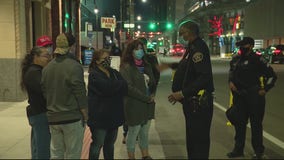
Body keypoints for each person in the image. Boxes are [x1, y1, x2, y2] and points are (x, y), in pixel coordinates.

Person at [167, 21, 214, 159]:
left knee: (199, 141)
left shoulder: (199, 48)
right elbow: (189, 72)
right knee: (192, 139)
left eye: (183, 32)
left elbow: (203, 77)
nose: (181, 35)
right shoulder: (191, 48)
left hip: (199, 103)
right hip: (190, 103)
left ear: (191, 32)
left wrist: (182, 93)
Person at [227, 37, 277, 159]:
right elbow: (231, 74)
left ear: (250, 46)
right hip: (239, 97)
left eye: (243, 46)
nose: (240, 48)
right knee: (239, 124)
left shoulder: (258, 59)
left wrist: (265, 89)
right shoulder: (236, 60)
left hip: (254, 97)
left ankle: (258, 152)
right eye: (239, 46)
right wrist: (231, 83)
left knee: (256, 125)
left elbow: (272, 76)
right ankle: (238, 150)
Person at [41, 33, 88, 159]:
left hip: (53, 118)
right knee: (72, 153)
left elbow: (44, 92)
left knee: (56, 153)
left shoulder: (47, 68)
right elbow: (80, 92)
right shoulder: (74, 66)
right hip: (71, 117)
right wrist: (85, 113)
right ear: (72, 47)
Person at [87, 49, 128, 159]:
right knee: (97, 145)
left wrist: (114, 85)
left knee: (110, 145)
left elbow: (125, 86)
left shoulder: (114, 73)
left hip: (113, 117)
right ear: (96, 61)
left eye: (108, 58)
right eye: (104, 59)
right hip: (99, 118)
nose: (107, 61)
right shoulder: (94, 75)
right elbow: (106, 89)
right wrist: (116, 86)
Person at [120, 39, 157, 160]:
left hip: (148, 104)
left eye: (141, 48)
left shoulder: (146, 65)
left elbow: (153, 81)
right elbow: (128, 88)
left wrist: (151, 91)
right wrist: (146, 98)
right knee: (133, 132)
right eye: (137, 49)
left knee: (144, 133)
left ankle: (145, 155)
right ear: (131, 51)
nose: (140, 51)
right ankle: (131, 157)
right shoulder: (126, 67)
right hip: (134, 104)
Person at [20, 46, 50, 159]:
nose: (48, 58)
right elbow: (44, 91)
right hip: (40, 114)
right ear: (35, 57)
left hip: (38, 114)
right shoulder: (34, 72)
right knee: (43, 150)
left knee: (38, 147)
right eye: (45, 56)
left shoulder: (36, 71)